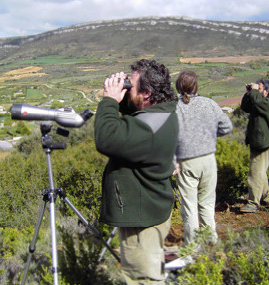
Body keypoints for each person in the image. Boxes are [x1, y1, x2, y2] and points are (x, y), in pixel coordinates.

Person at [94, 59, 178, 284]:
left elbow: (106, 138)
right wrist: (126, 93)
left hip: (143, 221)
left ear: (148, 93)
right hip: (151, 209)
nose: (128, 88)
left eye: (132, 85)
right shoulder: (163, 112)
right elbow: (135, 110)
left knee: (142, 279)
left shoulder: (148, 127)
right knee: (151, 269)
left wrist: (110, 100)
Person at [174, 70, 233, 245]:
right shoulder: (209, 104)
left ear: (178, 87)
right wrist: (208, 136)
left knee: (190, 208)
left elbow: (169, 137)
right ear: (196, 86)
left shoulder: (174, 107)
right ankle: (211, 243)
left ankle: (193, 248)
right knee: (207, 204)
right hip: (208, 159)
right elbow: (226, 127)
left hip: (186, 161)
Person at [240, 79, 269, 213]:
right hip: (259, 143)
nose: (258, 90)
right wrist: (249, 92)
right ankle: (266, 198)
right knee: (260, 171)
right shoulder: (259, 103)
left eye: (260, 88)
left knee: (255, 172)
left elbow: (257, 102)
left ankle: (253, 203)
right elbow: (245, 107)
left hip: (264, 144)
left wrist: (255, 92)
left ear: (266, 92)